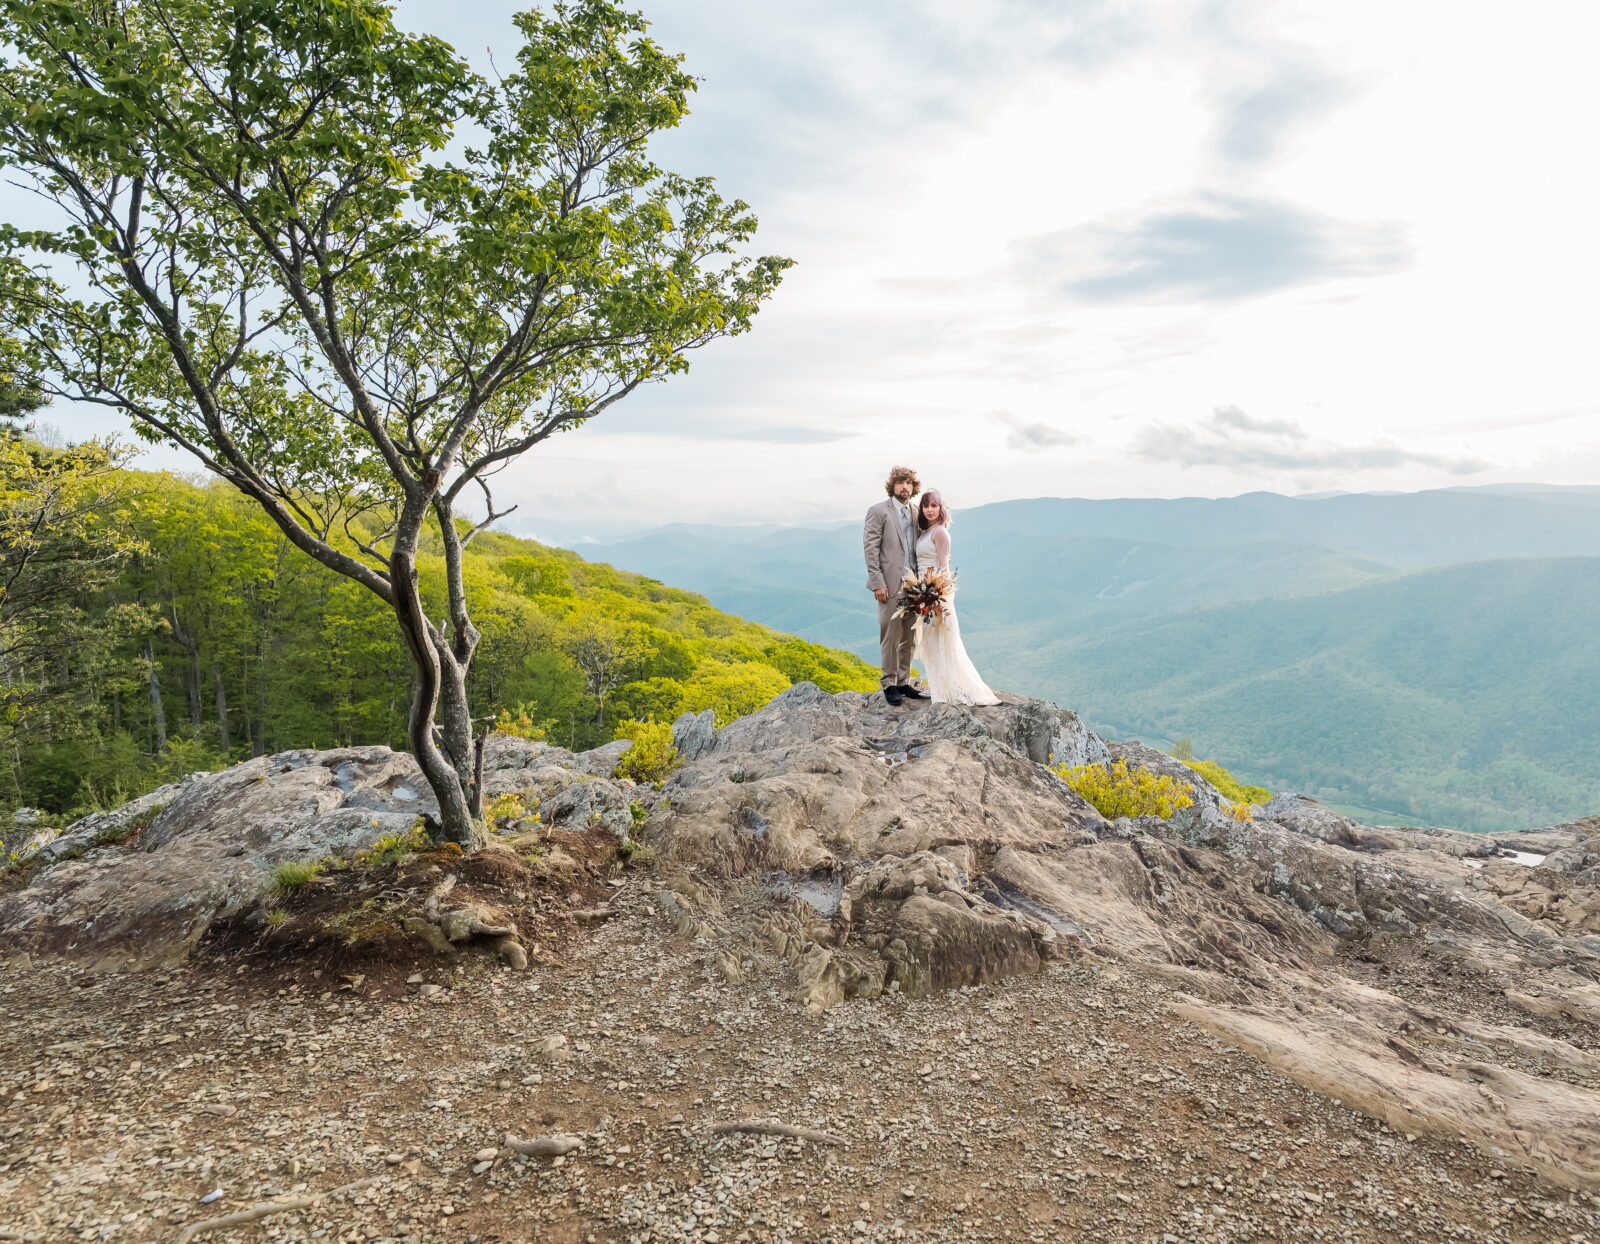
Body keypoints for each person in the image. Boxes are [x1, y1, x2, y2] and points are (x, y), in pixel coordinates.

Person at [912, 489, 998, 706]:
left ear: (941, 509)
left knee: (944, 641)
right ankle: (939, 687)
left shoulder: (940, 533)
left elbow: (944, 568)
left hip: (935, 592)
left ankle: (949, 690)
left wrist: (939, 599)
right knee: (931, 642)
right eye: (926, 506)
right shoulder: (925, 532)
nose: (930, 510)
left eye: (934, 505)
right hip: (924, 591)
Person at [862, 466, 929, 706]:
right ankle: (889, 683)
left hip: (914, 587)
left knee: (909, 637)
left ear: (913, 487)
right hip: (889, 586)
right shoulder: (878, 511)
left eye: (909, 483)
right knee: (890, 636)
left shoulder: (915, 512)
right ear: (892, 486)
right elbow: (870, 550)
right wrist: (878, 583)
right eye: (900, 483)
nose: (905, 487)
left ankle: (903, 682)